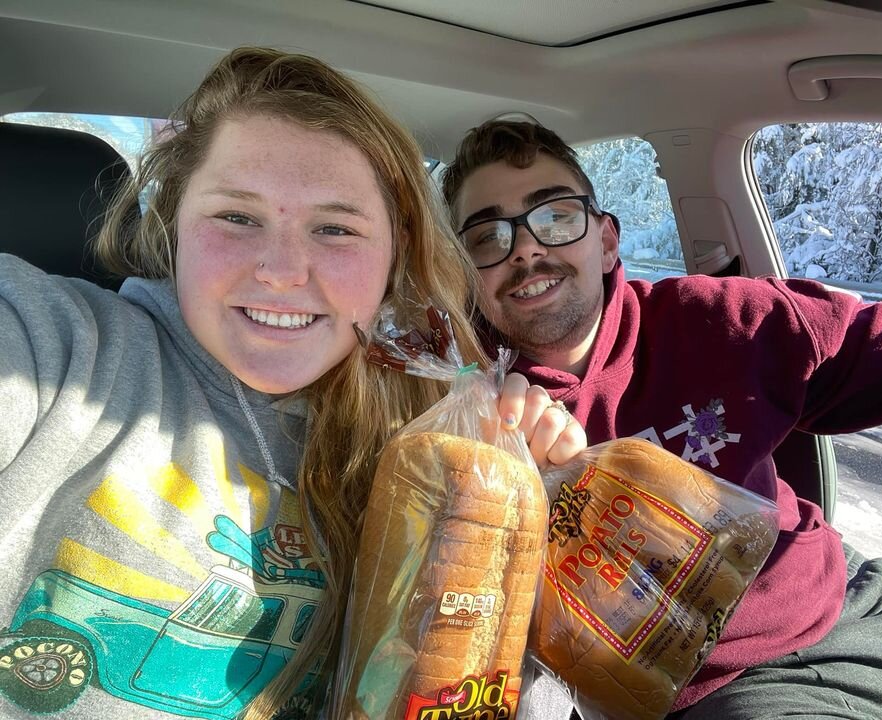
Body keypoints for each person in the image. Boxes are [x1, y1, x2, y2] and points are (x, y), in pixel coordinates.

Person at [0, 52, 586, 720]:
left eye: (335, 228)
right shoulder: (54, 350)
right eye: (237, 218)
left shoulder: (428, 444)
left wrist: (524, 528)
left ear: (394, 257)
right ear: (173, 225)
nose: (281, 270)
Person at [441, 119, 882, 720]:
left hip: (866, 597)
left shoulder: (725, 323)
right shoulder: (463, 408)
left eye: (556, 217)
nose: (527, 248)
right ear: (462, 271)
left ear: (607, 241)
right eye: (486, 237)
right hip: (718, 689)